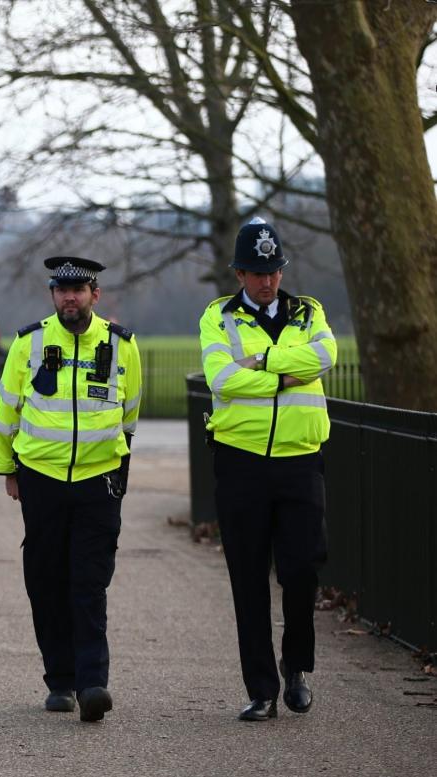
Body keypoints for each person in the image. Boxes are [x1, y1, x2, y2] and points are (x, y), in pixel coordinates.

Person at [0, 256, 142, 723]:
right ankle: (59, 681)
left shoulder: (122, 346)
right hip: (42, 480)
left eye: (79, 289)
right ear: (52, 295)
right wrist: (8, 470)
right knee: (45, 580)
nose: (70, 297)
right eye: (61, 289)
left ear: (95, 295)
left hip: (99, 481)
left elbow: (130, 414)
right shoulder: (29, 344)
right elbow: (6, 413)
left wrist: (121, 472)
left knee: (89, 582)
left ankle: (92, 681)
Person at [199, 218, 337, 722]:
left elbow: (326, 355)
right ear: (239, 273)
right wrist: (285, 374)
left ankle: (296, 666)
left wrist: (262, 363)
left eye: (274, 271)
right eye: (257, 272)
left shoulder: (309, 310)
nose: (267, 281)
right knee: (248, 578)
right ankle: (262, 690)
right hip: (241, 462)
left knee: (302, 570)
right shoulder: (219, 317)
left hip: (301, 459)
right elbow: (222, 377)